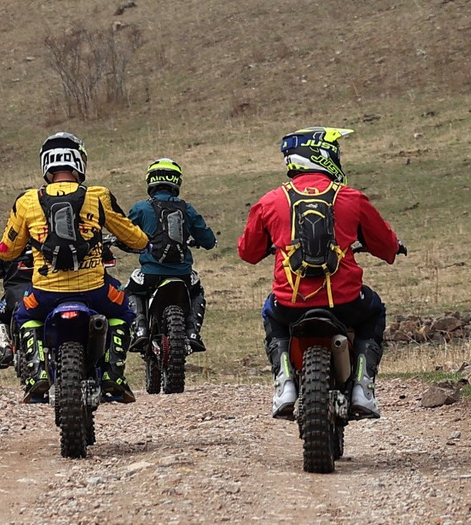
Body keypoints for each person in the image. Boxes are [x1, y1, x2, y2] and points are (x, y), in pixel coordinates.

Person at [236, 127, 404, 422]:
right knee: (374, 311)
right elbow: (385, 244)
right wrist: (393, 249)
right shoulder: (351, 198)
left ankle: (285, 383)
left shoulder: (270, 201)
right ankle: (363, 389)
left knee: (271, 312)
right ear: (322, 155)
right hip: (346, 301)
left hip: (289, 303)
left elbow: (248, 252)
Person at [0, 131, 151, 405]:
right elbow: (133, 236)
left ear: (46, 165)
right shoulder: (98, 197)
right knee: (124, 311)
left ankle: (36, 376)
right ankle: (112, 374)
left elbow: (8, 248)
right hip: (96, 290)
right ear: (79, 163)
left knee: (24, 316)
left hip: (45, 293)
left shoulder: (27, 201)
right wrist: (143, 242)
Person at [125, 158, 216, 353]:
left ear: (151, 181)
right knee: (197, 291)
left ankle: (140, 329)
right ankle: (193, 332)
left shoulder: (141, 208)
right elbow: (208, 240)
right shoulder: (187, 208)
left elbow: (125, 233)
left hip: (150, 274)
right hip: (183, 274)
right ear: (177, 182)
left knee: (131, 291)